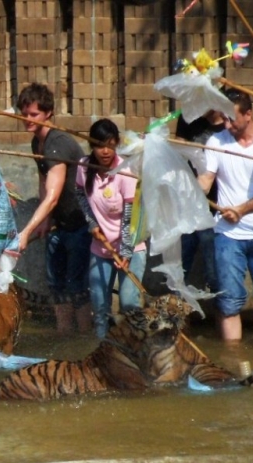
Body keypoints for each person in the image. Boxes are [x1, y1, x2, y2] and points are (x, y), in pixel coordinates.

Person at [197, 89, 253, 344]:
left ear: (248, 114)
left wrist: (242, 209)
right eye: (223, 118)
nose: (227, 125)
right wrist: (190, 187)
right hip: (226, 235)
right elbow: (206, 180)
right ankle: (233, 362)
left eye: (231, 118)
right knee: (228, 303)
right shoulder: (216, 142)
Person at [16, 83, 91, 334]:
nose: (28, 119)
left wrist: (26, 231)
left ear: (48, 112)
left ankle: (84, 341)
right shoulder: (37, 143)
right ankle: (64, 337)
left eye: (33, 114)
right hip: (59, 225)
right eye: (24, 114)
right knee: (57, 287)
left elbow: (52, 196)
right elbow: (42, 181)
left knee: (76, 288)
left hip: (80, 224)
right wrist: (45, 221)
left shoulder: (57, 143)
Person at [76, 119, 146, 339]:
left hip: (131, 247)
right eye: (99, 145)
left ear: (117, 143)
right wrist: (92, 224)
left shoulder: (126, 171)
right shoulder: (84, 166)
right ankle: (101, 351)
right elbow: (80, 194)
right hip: (101, 247)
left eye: (109, 144)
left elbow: (129, 216)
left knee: (128, 304)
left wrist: (125, 252)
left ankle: (135, 347)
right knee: (99, 307)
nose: (104, 151)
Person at [175, 110, 225, 291]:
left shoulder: (227, 122)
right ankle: (178, 310)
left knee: (213, 269)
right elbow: (179, 148)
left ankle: (221, 311)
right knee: (182, 264)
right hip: (190, 202)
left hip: (215, 207)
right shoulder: (187, 117)